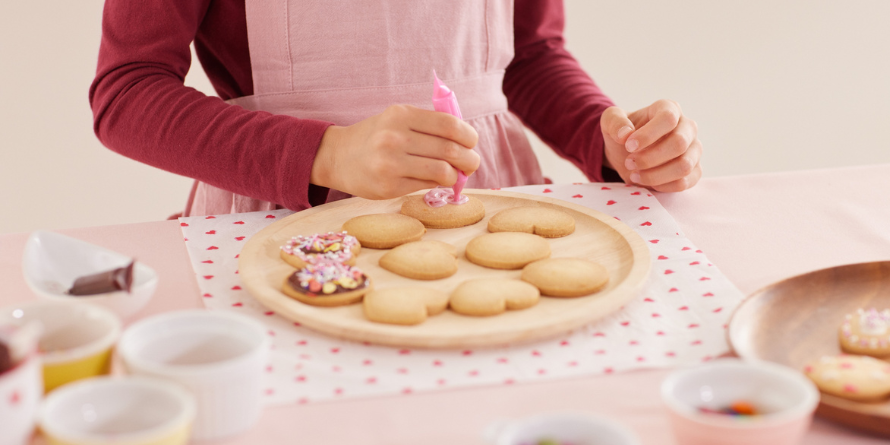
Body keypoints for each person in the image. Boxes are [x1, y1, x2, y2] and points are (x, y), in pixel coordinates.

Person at [90, 0, 702, 217]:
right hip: (276, 219)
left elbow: (526, 56)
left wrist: (610, 140)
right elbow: (126, 92)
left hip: (487, 199)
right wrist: (327, 152)